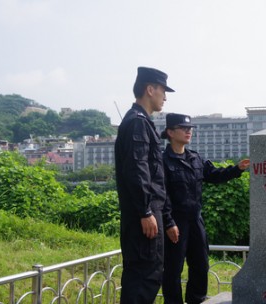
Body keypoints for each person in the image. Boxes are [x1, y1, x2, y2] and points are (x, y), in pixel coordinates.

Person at [160, 113, 250, 304]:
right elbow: (161, 195)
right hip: (175, 223)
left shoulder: (195, 158)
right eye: (183, 128)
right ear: (170, 132)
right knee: (173, 269)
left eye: (190, 128)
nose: (188, 131)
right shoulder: (162, 162)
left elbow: (214, 175)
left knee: (201, 265)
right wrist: (168, 222)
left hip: (195, 221)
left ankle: (197, 300)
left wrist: (237, 169)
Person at [115, 66, 174, 304]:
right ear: (150, 89)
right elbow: (137, 169)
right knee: (144, 275)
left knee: (147, 273)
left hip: (147, 211)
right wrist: (146, 210)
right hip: (144, 214)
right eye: (162, 91)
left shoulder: (141, 121)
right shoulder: (138, 122)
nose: (165, 97)